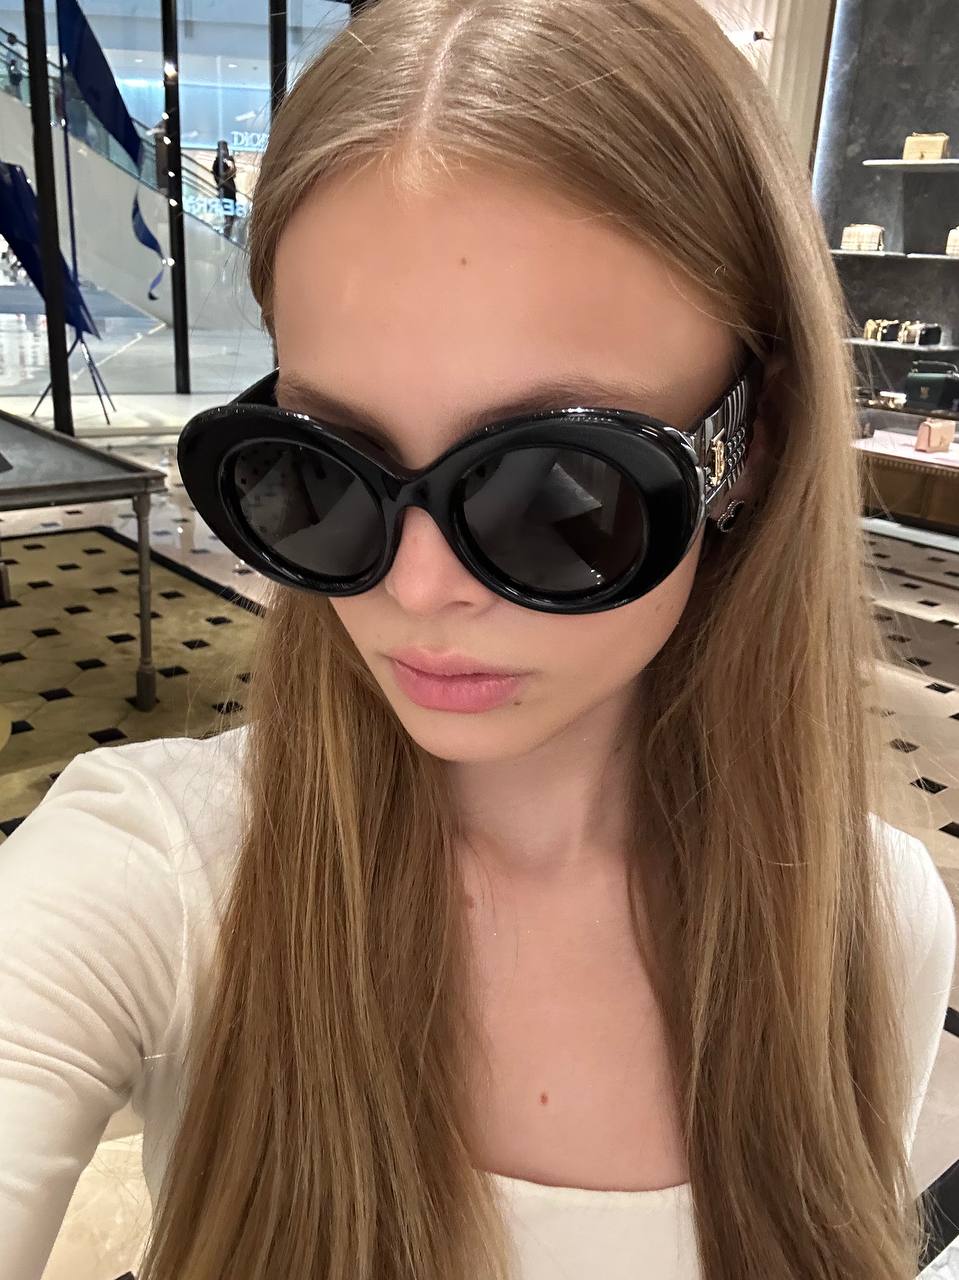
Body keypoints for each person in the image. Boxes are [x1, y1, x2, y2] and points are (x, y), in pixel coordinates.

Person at [0, 2, 956, 1280]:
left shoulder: (869, 925)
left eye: (556, 486)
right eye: (321, 467)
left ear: (751, 444)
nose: (417, 585)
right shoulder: (154, 875)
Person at [211, 137, 238, 240]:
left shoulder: (224, 163)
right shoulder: (218, 163)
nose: (226, 152)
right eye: (224, 149)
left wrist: (232, 164)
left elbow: (233, 174)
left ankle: (228, 237)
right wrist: (232, 167)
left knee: (231, 218)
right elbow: (223, 177)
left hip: (230, 193)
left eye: (226, 149)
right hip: (225, 193)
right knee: (228, 218)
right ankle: (226, 238)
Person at [5, 31, 23, 100]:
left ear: (13, 39)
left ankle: (17, 102)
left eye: (9, 38)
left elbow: (13, 61)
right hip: (17, 72)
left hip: (15, 72)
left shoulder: (13, 48)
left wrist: (11, 70)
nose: (7, 39)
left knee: (15, 90)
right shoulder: (18, 48)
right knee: (17, 89)